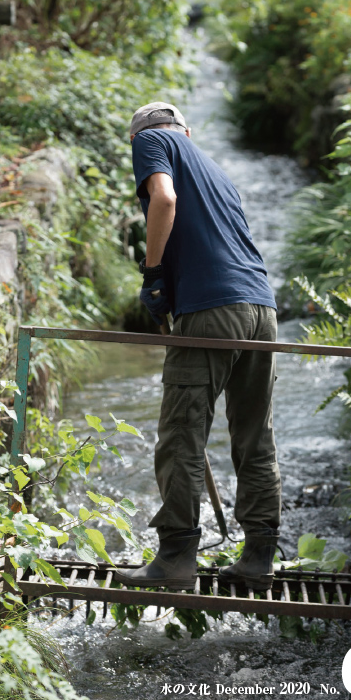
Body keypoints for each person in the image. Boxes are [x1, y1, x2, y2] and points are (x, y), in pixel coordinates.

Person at [114, 102, 281, 593]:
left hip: (212, 309)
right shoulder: (217, 169)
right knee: (255, 436)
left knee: (182, 436)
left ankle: (175, 559)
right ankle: (257, 557)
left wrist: (153, 273)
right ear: (188, 128)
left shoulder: (152, 142)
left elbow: (163, 201)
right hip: (261, 307)